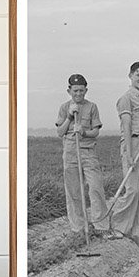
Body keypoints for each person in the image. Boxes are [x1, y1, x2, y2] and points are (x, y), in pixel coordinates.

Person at [55, 73, 109, 236]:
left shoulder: (92, 107)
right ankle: (78, 228)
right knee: (73, 191)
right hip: (70, 152)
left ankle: (101, 227)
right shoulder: (64, 107)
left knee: (95, 188)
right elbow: (60, 132)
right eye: (75, 91)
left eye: (81, 91)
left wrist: (84, 132)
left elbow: (96, 132)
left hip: (88, 152)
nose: (78, 94)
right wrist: (70, 117)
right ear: (69, 90)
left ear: (86, 90)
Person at [112, 60, 139, 251]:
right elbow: (127, 126)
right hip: (133, 143)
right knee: (133, 189)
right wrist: (129, 154)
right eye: (138, 75)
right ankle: (119, 226)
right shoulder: (126, 98)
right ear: (130, 76)